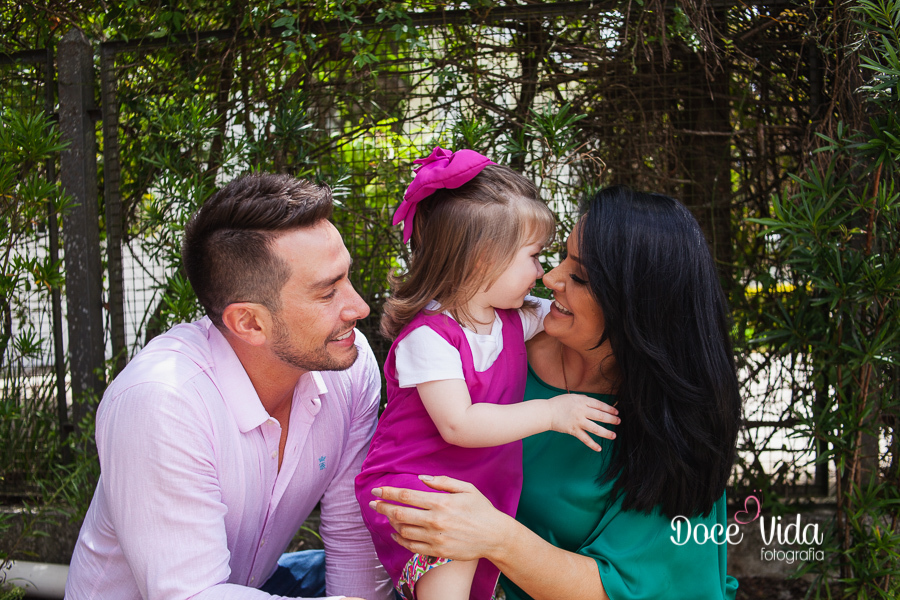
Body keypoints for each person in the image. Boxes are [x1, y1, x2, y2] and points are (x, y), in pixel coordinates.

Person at [368, 185, 742, 600]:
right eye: (559, 256)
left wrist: (496, 537)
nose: (551, 277)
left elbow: (636, 588)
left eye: (578, 276)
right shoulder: (493, 352)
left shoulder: (675, 427)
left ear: (634, 308)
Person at [65, 174, 393, 600]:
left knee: (411, 569)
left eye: (346, 278)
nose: (360, 307)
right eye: (327, 293)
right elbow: (193, 595)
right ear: (249, 322)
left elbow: (353, 531)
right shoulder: (161, 402)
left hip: (249, 583)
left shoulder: (348, 364)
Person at [354, 148, 620, 600]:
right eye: (533, 257)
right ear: (482, 261)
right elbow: (459, 423)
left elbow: (580, 314)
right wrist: (553, 412)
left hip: (470, 487)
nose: (543, 274)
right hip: (422, 487)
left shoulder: (511, 317)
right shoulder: (431, 338)